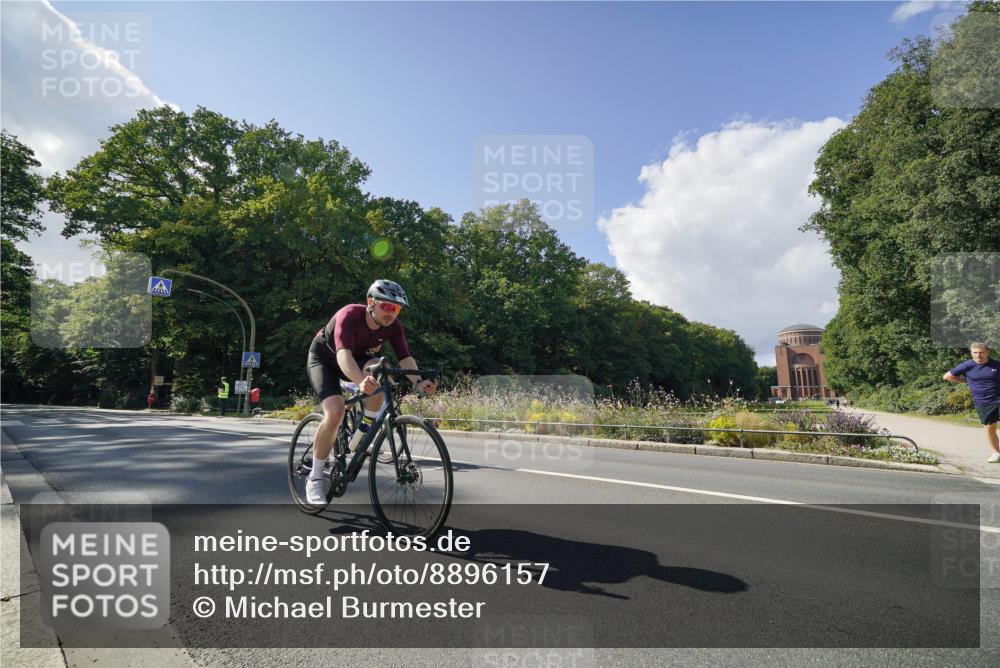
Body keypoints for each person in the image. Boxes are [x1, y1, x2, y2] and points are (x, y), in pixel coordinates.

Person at [305, 279, 438, 503]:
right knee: (335, 411)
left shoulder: (394, 327)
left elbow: (404, 358)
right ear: (370, 303)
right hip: (326, 359)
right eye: (386, 306)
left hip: (359, 359)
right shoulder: (349, 315)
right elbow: (343, 355)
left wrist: (418, 382)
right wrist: (359, 382)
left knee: (382, 367)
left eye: (396, 308)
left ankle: (363, 429)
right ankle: (315, 478)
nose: (391, 313)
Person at [943, 342, 1000, 463]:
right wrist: (965, 381)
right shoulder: (967, 365)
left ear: (987, 352)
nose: (978, 355)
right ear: (971, 353)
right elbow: (947, 376)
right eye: (975, 352)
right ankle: (996, 453)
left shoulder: (996, 365)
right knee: (990, 427)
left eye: (981, 352)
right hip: (983, 401)